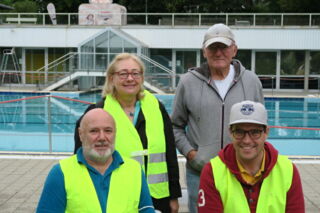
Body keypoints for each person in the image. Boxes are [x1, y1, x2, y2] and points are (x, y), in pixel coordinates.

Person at [171, 23, 264, 212]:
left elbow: (260, 126)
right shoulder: (188, 82)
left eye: (224, 47)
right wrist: (192, 154)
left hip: (244, 171)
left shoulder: (251, 81)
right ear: (204, 51)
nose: (218, 52)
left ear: (234, 50)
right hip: (201, 171)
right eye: (213, 47)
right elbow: (175, 126)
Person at [74, 53, 181, 212]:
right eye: (123, 74)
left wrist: (173, 196)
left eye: (135, 73)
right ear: (111, 78)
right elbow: (81, 160)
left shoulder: (156, 107)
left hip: (156, 198)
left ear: (142, 77)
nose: (130, 78)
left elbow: (170, 153)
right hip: (113, 196)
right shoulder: (98, 111)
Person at [37, 108, 155, 213]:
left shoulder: (134, 170)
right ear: (81, 134)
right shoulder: (61, 173)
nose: (102, 137)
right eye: (94, 131)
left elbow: (146, 209)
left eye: (108, 131)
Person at [198, 100, 305, 212]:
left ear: (266, 133)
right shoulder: (212, 172)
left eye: (255, 132)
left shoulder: (287, 170)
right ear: (230, 132)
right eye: (239, 132)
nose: (247, 140)